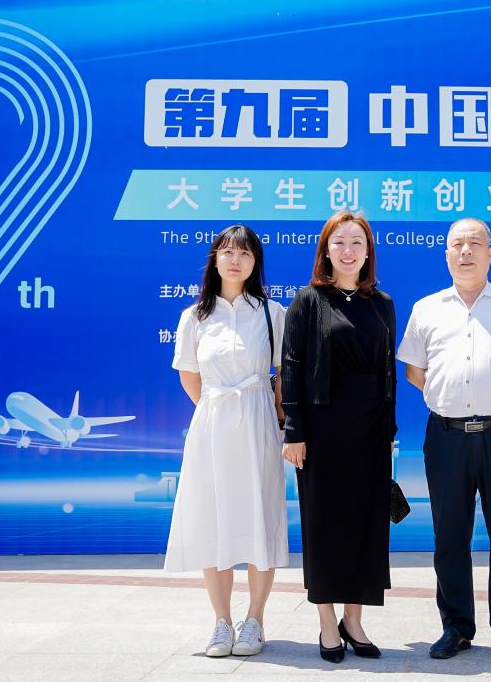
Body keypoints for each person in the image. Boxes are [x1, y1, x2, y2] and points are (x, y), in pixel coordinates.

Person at [397, 217, 491, 662]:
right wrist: (451, 399)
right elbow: (415, 371)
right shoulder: (427, 308)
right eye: (457, 244)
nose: (465, 251)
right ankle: (456, 626)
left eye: (475, 243)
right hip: (446, 437)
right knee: (449, 536)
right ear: (446, 254)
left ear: (490, 253)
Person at [166, 225, 288, 658]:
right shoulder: (195, 316)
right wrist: (220, 408)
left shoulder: (273, 313)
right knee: (213, 521)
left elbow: (282, 376)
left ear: (256, 262)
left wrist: (268, 415)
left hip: (259, 423)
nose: (236, 260)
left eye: (245, 253)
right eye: (228, 252)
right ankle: (221, 622)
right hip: (213, 423)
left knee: (260, 518)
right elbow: (190, 376)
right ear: (215, 259)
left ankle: (255, 619)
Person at [280, 211, 397, 664]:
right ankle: (327, 620)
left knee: (367, 524)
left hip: (371, 431)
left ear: (368, 252)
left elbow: (387, 373)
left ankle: (354, 619)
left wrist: (388, 430)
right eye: (339, 242)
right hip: (322, 429)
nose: (348, 251)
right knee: (324, 524)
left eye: (357, 242)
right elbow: (292, 366)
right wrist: (294, 430)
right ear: (326, 251)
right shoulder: (308, 301)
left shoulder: (382, 304)